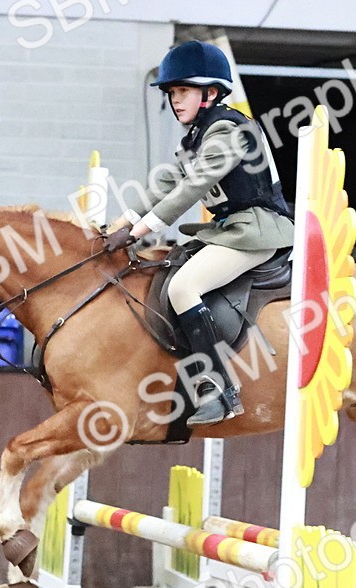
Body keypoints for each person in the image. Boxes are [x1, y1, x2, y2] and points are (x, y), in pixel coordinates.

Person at [105, 40, 294, 426]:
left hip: (257, 231)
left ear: (210, 92)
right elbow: (167, 184)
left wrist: (141, 230)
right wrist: (121, 222)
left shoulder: (227, 130)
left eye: (184, 91)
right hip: (232, 229)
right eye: (173, 93)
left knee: (182, 287)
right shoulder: (196, 135)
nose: (176, 100)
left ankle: (219, 388)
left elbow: (191, 190)